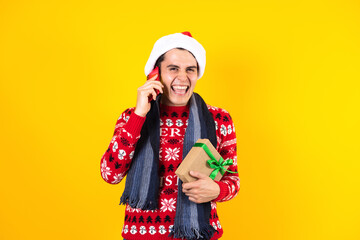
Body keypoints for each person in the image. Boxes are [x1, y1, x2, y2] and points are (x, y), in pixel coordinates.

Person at [100, 32, 240, 240]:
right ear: (156, 74)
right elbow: (110, 174)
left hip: (198, 234)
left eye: (190, 70)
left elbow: (232, 181)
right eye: (173, 69)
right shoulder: (132, 117)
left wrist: (217, 190)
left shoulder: (219, 119)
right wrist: (139, 115)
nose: (182, 77)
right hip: (142, 234)